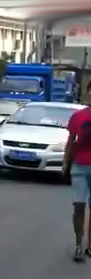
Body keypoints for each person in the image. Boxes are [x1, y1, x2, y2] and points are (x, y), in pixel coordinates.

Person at [63, 81, 91, 262]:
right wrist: (66, 162)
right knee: (79, 205)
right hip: (80, 166)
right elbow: (71, 141)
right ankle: (78, 244)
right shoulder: (78, 116)